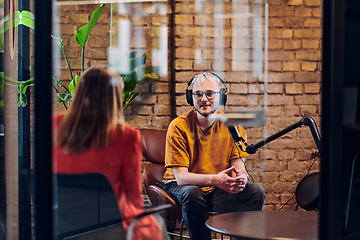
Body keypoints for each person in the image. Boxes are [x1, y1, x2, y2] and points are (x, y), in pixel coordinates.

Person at [52, 65, 168, 240]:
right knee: (157, 224)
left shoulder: (55, 125)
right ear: (114, 98)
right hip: (109, 228)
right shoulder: (126, 137)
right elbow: (133, 200)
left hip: (62, 225)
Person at [160, 72, 265, 240]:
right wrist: (216, 180)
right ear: (191, 97)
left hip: (214, 190)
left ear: (221, 96)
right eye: (198, 94)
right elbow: (181, 178)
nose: (203, 99)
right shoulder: (178, 126)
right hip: (178, 187)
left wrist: (241, 178)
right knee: (193, 193)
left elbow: (238, 166)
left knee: (255, 192)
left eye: (209, 93)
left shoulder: (233, 126)